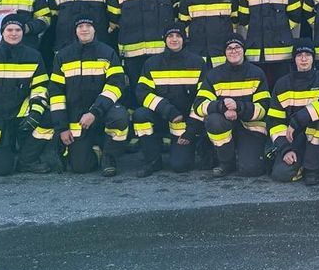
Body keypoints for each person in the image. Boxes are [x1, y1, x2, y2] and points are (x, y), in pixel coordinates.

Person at [0, 15, 56, 176]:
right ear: (2, 32)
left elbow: (40, 88)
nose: (14, 33)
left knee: (50, 117)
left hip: (20, 113)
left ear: (23, 32)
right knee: (2, 170)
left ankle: (27, 160)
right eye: (9, 30)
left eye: (18, 30)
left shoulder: (34, 56)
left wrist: (35, 113)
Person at [47, 18, 129, 176]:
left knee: (119, 117)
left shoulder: (107, 52)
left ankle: (109, 157)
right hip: (77, 117)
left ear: (94, 29)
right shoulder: (63, 56)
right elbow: (56, 94)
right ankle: (95, 150)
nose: (84, 29)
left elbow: (116, 85)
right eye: (80, 26)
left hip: (103, 110)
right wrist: (62, 128)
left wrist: (94, 112)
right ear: (75, 31)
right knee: (80, 167)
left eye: (88, 26)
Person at [133, 26, 212, 176]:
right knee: (140, 115)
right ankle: (152, 161)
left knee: (180, 166)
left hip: (185, 123)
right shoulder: (152, 63)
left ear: (184, 39)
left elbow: (204, 98)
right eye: (170, 36)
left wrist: (191, 130)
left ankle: (191, 147)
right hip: (162, 116)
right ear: (165, 39)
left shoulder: (197, 62)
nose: (174, 39)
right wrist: (168, 110)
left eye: (178, 36)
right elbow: (142, 93)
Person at [194, 36, 273, 177]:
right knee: (213, 121)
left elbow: (264, 108)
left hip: (251, 127)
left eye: (237, 47)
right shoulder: (213, 75)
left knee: (251, 170)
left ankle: (245, 156)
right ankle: (226, 162)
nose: (233, 51)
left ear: (244, 50)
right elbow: (199, 105)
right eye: (229, 48)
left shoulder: (257, 73)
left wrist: (239, 108)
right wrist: (222, 108)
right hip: (225, 124)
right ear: (224, 52)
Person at [267, 44, 319, 185]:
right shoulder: (282, 84)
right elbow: (275, 122)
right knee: (281, 174)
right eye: (299, 55)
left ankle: (311, 168)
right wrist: (285, 149)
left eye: (308, 55)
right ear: (294, 59)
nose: (304, 59)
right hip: (293, 138)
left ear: (313, 58)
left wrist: (296, 121)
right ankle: (307, 160)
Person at [239, 0, 301, 85]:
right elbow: (243, 18)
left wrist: (282, 29)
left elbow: (296, 16)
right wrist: (256, 29)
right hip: (256, 52)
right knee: (257, 87)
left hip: (282, 52)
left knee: (281, 87)